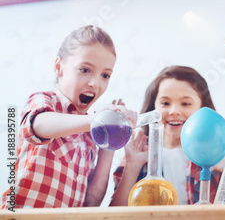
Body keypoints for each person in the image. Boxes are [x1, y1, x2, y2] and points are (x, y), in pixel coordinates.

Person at [1, 25, 133, 209]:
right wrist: (96, 120)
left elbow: (91, 202)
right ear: (58, 67)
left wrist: (110, 141)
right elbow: (36, 126)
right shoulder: (45, 100)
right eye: (85, 70)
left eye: (105, 75)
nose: (95, 83)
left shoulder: (90, 134)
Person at [110, 66, 223, 206]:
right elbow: (116, 213)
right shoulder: (138, 154)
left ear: (202, 107)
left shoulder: (216, 154)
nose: (174, 111)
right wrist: (132, 165)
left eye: (186, 103)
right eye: (165, 103)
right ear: (153, 107)